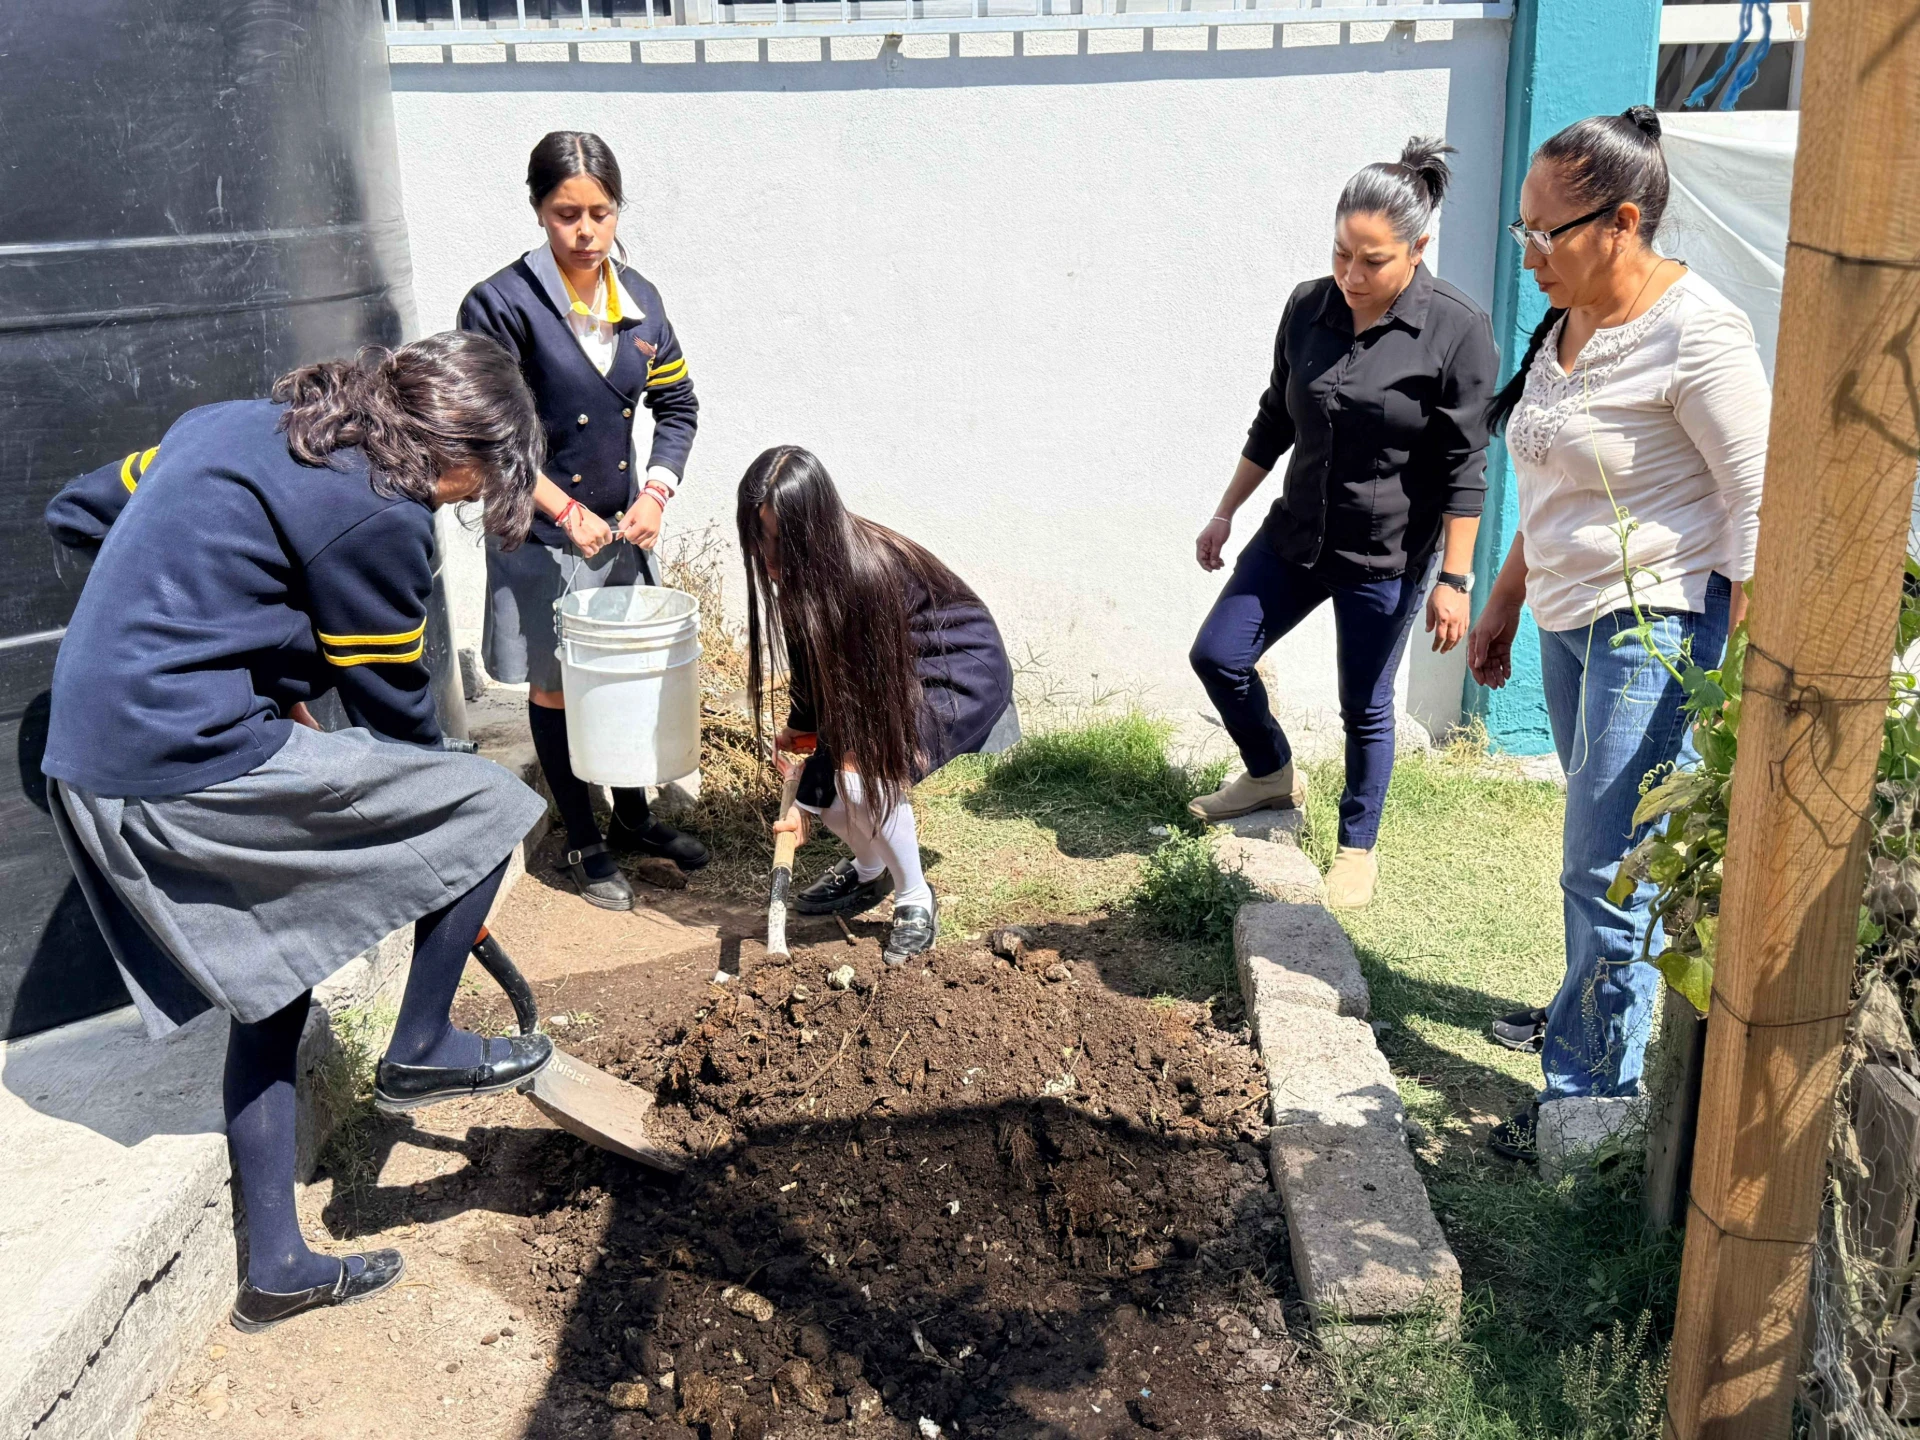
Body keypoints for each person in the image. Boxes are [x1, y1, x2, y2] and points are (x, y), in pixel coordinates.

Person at [40, 333, 554, 1330]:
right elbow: (400, 722)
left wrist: (204, 633)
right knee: (488, 809)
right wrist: (439, 865)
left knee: (278, 974)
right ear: (447, 441)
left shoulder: (230, 426)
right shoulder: (379, 515)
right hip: (182, 760)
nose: (460, 502)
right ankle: (422, 1044)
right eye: (472, 481)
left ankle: (274, 1266)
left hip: (100, 756)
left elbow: (82, 508)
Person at [1466, 107, 1768, 1161]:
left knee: (1610, 864)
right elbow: (1554, 474)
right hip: (1566, 619)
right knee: (1601, 853)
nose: (1530, 253)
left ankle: (1590, 1106)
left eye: (1546, 232)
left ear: (1623, 220)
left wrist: (1749, 680)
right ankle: (1593, 1028)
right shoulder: (1570, 316)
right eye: (1523, 231)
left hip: (1656, 629)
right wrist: (1506, 595)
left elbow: (1756, 507)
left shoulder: (1699, 334)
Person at [1187, 138, 1498, 909]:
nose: (1352, 277)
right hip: (1295, 535)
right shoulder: (1307, 306)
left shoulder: (1458, 329)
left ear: (1418, 249)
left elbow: (1467, 467)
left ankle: (1357, 846)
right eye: (1341, 255)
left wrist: (1455, 579)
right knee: (1218, 655)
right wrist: (1227, 511)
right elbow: (1274, 419)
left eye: (1374, 261)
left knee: (1364, 704)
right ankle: (1268, 775)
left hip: (1386, 554)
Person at [458, 130, 708, 913]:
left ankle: (633, 818)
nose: (585, 230)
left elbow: (676, 405)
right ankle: (582, 836)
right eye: (567, 212)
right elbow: (484, 433)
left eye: (600, 212)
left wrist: (657, 494)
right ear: (538, 210)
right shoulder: (498, 306)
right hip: (539, 531)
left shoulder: (640, 303)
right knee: (559, 686)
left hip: (621, 528)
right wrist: (562, 508)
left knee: (626, 673)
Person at [737, 447, 1019, 966]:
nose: (770, 561)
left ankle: (915, 898)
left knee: (858, 775)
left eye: (782, 543)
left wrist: (805, 798)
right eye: (760, 542)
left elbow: (864, 712)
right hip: (887, 677)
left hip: (955, 667)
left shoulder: (864, 578)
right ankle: (869, 871)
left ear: (814, 532)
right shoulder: (801, 579)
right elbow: (814, 672)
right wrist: (800, 734)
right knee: (832, 788)